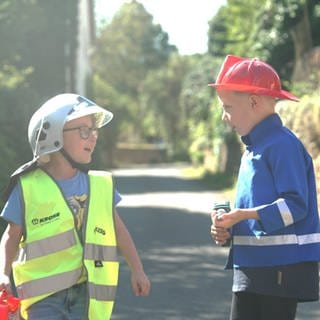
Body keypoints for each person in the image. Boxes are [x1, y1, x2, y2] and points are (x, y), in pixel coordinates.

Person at [0, 93, 150, 320]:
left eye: (94, 131)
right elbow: (11, 236)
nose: (93, 137)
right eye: (84, 131)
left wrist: (137, 269)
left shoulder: (100, 185)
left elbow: (119, 230)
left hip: (86, 297)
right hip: (42, 301)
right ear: (53, 136)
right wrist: (2, 273)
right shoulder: (27, 187)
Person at [209, 55, 320, 320]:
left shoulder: (282, 145)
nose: (225, 117)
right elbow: (258, 213)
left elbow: (295, 206)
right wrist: (229, 227)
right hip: (251, 268)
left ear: (254, 102)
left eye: (228, 107)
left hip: (280, 270)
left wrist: (243, 215)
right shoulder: (253, 149)